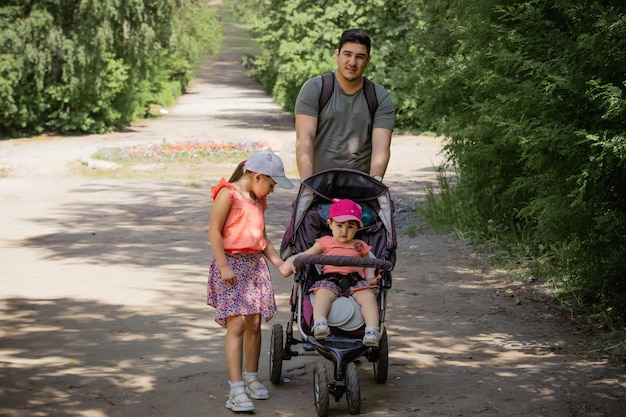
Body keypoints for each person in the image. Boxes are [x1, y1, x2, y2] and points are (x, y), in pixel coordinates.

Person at [207, 150, 293, 413]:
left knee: (254, 324)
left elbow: (262, 238)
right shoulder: (228, 194)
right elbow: (214, 231)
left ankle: (252, 377)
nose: (272, 190)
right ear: (258, 176)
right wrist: (223, 265)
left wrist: (279, 263)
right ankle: (235, 390)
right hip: (231, 267)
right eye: (272, 184)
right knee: (236, 327)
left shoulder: (258, 199)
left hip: (254, 267)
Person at [294, 28, 395, 181]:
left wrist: (375, 185)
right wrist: (307, 185)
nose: (352, 62)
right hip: (319, 187)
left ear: (368, 60)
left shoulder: (379, 97)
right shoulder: (315, 88)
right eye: (347, 54)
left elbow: (381, 148)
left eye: (360, 57)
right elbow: (304, 138)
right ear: (337, 55)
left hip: (361, 189)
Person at [280, 198, 381, 347]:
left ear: (357, 228)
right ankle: (320, 323)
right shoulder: (325, 242)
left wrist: (371, 276)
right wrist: (290, 261)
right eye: (339, 225)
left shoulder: (360, 245)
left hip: (356, 280)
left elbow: (368, 264)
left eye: (350, 226)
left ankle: (372, 330)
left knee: (369, 297)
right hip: (330, 279)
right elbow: (306, 255)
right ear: (330, 224)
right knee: (322, 294)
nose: (344, 231)